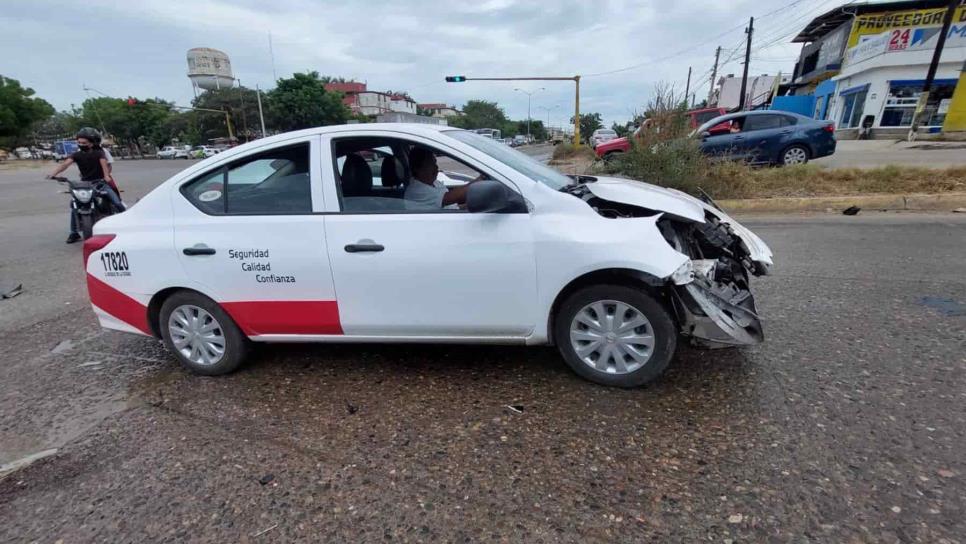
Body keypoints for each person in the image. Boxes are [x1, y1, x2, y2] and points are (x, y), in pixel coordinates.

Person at [46, 127, 124, 243]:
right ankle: (74, 232)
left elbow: (104, 164)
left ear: (92, 143)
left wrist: (106, 176)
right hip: (85, 184)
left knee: (116, 201)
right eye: (79, 142)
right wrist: (53, 174)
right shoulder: (76, 155)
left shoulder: (100, 152)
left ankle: (127, 222)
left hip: (100, 182)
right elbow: (65, 164)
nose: (81, 144)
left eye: (84, 143)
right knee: (75, 206)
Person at [403, 147, 481, 209]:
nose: (436, 167)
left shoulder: (435, 183)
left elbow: (452, 208)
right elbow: (452, 197)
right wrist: (481, 180)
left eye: (435, 162)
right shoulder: (417, 191)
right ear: (417, 168)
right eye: (430, 164)